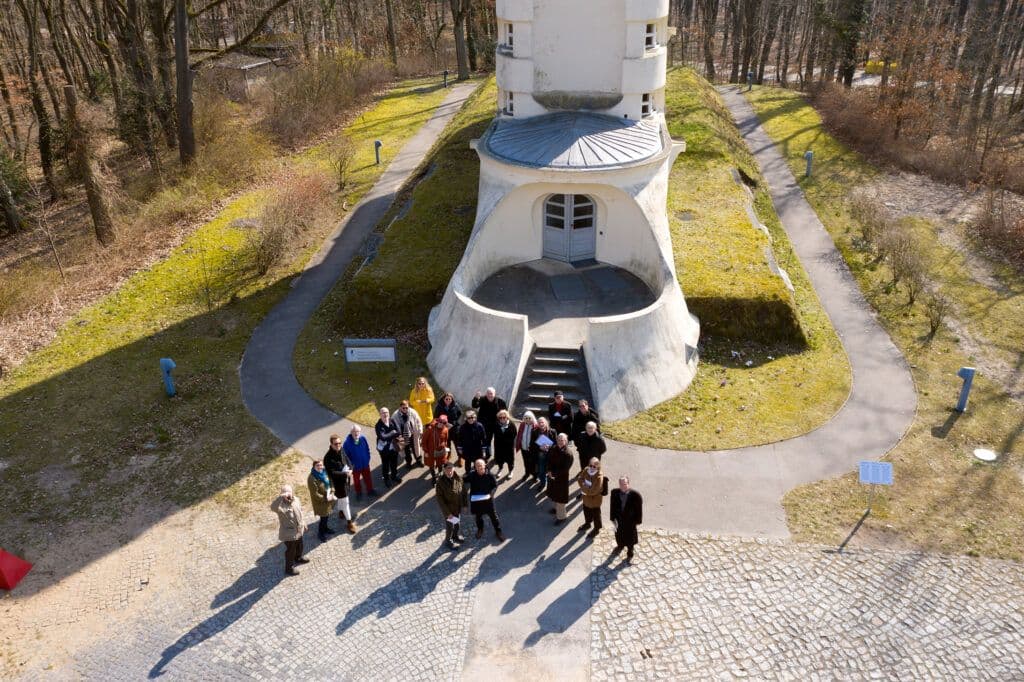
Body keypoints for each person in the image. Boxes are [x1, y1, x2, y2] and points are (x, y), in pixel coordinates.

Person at [271, 485, 308, 576]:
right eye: (285, 493)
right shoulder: (280, 505)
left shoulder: (296, 500)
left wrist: (304, 523)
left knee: (300, 545)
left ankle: (298, 558)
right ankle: (289, 568)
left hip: (299, 530)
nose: (288, 495)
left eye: (289, 492)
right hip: (289, 534)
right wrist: (281, 497)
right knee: (290, 551)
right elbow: (272, 507)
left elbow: (300, 512)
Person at [324, 434, 357, 534]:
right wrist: (344, 474)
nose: (338, 445)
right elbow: (331, 473)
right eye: (336, 444)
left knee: (341, 500)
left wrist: (351, 469)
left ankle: (341, 512)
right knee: (346, 502)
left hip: (345, 481)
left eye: (339, 443)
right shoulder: (328, 457)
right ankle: (349, 522)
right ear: (331, 444)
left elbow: (347, 460)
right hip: (338, 484)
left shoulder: (341, 450)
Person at [465, 459, 505, 541]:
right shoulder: (472, 475)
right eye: (477, 466)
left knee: (493, 517)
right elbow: (463, 480)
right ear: (475, 467)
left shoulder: (490, 475)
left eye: (481, 465)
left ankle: (498, 531)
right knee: (478, 517)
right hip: (476, 501)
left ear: (484, 465)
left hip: (487, 500)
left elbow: (495, 485)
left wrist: (491, 494)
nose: (479, 467)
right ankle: (480, 529)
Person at [610, 476, 643, 562]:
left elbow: (639, 510)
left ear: (628, 484)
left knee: (630, 537)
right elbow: (612, 506)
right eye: (621, 484)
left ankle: (630, 551)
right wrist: (612, 518)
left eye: (624, 484)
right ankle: (620, 545)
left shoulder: (636, 495)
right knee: (618, 534)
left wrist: (637, 521)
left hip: (630, 521)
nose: (622, 486)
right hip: (619, 520)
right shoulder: (614, 492)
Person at [434, 461, 466, 550]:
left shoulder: (459, 478)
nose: (449, 471)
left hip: (457, 508)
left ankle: (455, 537)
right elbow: (440, 500)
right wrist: (447, 513)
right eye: (447, 469)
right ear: (444, 470)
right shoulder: (440, 482)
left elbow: (463, 492)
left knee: (457, 524)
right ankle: (448, 541)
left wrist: (465, 505)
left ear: (453, 469)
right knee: (450, 526)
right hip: (448, 510)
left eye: (451, 468)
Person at [343, 425, 378, 500]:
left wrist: (368, 458)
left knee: (368, 478)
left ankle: (370, 490)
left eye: (358, 431)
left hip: (365, 464)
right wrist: (351, 466)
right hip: (355, 467)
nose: (356, 433)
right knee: (357, 480)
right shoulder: (347, 443)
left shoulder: (363, 438)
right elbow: (345, 457)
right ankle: (358, 493)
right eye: (354, 432)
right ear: (351, 432)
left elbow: (367, 449)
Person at [545, 433, 573, 525]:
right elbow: (548, 459)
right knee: (554, 494)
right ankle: (556, 509)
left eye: (562, 440)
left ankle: (562, 517)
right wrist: (549, 470)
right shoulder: (554, 448)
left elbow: (565, 469)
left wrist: (554, 474)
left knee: (560, 498)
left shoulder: (568, 453)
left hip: (561, 479)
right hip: (552, 476)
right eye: (559, 440)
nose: (560, 442)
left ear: (566, 441)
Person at [472, 387, 507, 457]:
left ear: (494, 394)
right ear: (486, 394)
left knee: (497, 441)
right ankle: (486, 454)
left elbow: (505, 413)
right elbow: (474, 405)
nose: (489, 395)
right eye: (488, 393)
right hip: (484, 424)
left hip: (496, 424)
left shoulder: (500, 401)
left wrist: (504, 423)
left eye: (491, 394)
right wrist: (476, 398)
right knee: (485, 439)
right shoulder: (482, 399)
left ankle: (497, 456)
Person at [576, 457, 606, 538]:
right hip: (586, 498)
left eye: (594, 466)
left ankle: (597, 528)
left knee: (596, 515)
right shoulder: (586, 469)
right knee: (586, 511)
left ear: (598, 466)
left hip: (595, 500)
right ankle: (587, 524)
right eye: (590, 465)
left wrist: (583, 487)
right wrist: (585, 487)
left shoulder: (599, 476)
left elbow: (594, 491)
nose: (592, 468)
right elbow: (579, 479)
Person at [307, 460, 336, 542]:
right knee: (323, 518)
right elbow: (315, 494)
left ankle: (326, 529)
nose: (320, 467)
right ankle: (321, 533)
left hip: (329, 498)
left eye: (321, 465)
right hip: (321, 502)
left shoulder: (325, 472)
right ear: (314, 466)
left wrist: (333, 491)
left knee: (326, 516)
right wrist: (326, 498)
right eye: (317, 465)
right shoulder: (311, 478)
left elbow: (331, 482)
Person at [375, 407, 402, 487]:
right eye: (383, 413)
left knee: (394, 463)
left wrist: (389, 434)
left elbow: (399, 431)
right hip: (384, 450)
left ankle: (394, 476)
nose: (385, 414)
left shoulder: (392, 420)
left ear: (389, 413)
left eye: (386, 412)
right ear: (380, 415)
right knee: (385, 465)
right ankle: (386, 479)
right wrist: (393, 432)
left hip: (394, 447)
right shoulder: (378, 425)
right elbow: (382, 437)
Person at [393, 400, 424, 469]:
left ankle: (418, 461)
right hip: (403, 436)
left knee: (416, 448)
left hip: (413, 434)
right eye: (403, 408)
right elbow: (393, 426)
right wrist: (397, 436)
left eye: (406, 407)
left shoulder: (412, 412)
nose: (405, 409)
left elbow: (418, 421)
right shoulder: (395, 415)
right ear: (400, 407)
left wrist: (420, 430)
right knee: (406, 450)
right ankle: (408, 463)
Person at [421, 414, 451, 484]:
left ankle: (440, 475)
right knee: (431, 465)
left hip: (441, 450)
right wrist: (426, 451)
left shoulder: (446, 429)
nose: (441, 424)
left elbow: (446, 440)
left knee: (440, 464)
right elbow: (424, 441)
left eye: (444, 423)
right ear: (437, 421)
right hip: (431, 450)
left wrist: (445, 447)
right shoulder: (430, 429)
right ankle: (433, 478)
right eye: (440, 422)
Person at [529, 416, 555, 492]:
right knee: (541, 471)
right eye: (539, 422)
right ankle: (543, 484)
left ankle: (550, 486)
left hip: (550, 455)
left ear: (546, 423)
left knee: (550, 471)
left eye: (542, 422)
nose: (541, 424)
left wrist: (549, 446)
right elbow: (532, 445)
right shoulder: (534, 432)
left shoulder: (552, 431)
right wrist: (539, 447)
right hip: (540, 455)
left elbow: (556, 444)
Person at [492, 409, 517, 481]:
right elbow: (494, 433)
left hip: (508, 447)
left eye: (504, 417)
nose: (502, 419)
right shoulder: (496, 424)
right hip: (499, 446)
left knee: (510, 460)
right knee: (500, 459)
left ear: (507, 417)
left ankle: (510, 471)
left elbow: (515, 434)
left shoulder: (511, 424)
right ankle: (500, 469)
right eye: (500, 417)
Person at [515, 410, 537, 482]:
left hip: (532, 449)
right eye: (526, 418)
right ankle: (527, 473)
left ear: (532, 418)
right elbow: (519, 435)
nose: (527, 420)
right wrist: (518, 444)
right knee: (526, 462)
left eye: (529, 418)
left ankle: (534, 475)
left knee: (533, 463)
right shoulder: (522, 425)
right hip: (523, 448)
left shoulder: (535, 426)